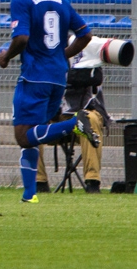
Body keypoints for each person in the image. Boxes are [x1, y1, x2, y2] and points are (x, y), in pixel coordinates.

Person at [0, 0, 99, 203]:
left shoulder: (22, 0)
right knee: (33, 135)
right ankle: (30, 194)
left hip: (35, 76)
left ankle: (74, 124)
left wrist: (6, 56)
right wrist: (63, 54)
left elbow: (21, 38)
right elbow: (85, 35)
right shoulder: (62, 2)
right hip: (58, 77)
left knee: (22, 135)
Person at [36, 64, 109, 194]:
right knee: (30, 121)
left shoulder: (90, 54)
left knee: (90, 119)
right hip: (54, 117)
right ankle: (39, 182)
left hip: (85, 112)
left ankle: (92, 181)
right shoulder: (48, 56)